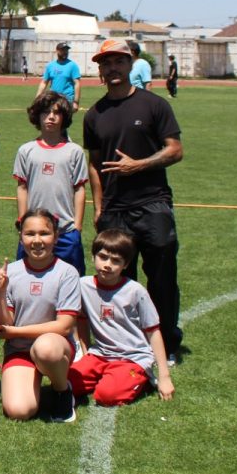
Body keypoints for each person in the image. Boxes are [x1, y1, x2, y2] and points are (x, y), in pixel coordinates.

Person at [83, 38, 184, 363]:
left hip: (153, 204)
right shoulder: (95, 114)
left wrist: (138, 165)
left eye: (118, 61)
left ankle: (166, 343)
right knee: (118, 282)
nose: (112, 68)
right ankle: (125, 344)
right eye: (105, 63)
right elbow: (94, 165)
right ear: (99, 69)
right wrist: (98, 207)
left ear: (130, 64)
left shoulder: (153, 105)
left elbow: (175, 150)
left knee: (162, 276)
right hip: (115, 210)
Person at [0, 210, 81, 423]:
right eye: (30, 234)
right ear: (21, 238)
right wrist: (0, 292)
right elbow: (3, 325)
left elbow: (65, 327)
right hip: (19, 350)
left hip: (54, 347)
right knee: (19, 411)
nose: (37, 240)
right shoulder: (11, 271)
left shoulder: (67, 273)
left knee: (44, 348)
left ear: (56, 237)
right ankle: (36, 382)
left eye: (44, 233)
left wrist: (16, 332)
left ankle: (62, 391)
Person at [69, 229, 175, 406]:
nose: (107, 264)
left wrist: (164, 377)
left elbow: (153, 332)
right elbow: (81, 319)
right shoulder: (83, 285)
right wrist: (86, 353)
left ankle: (139, 378)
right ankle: (109, 376)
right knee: (66, 383)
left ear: (126, 265)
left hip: (132, 357)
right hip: (100, 355)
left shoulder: (135, 291)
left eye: (116, 261)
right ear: (93, 256)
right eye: (102, 257)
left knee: (106, 395)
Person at [13, 91, 88, 275]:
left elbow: (79, 189)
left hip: (65, 232)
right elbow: (22, 187)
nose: (51, 117)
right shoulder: (26, 150)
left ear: (64, 117)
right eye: (46, 112)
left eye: (57, 113)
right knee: (28, 278)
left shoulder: (74, 151)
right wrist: (23, 221)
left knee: (72, 281)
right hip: (35, 230)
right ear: (37, 116)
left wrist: (77, 227)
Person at [36, 42, 81, 111]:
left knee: (64, 121)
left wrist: (76, 102)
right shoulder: (50, 66)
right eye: (63, 50)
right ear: (57, 51)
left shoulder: (72, 65)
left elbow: (77, 83)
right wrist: (38, 98)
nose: (65, 52)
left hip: (67, 100)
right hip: (53, 99)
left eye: (66, 50)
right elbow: (44, 83)